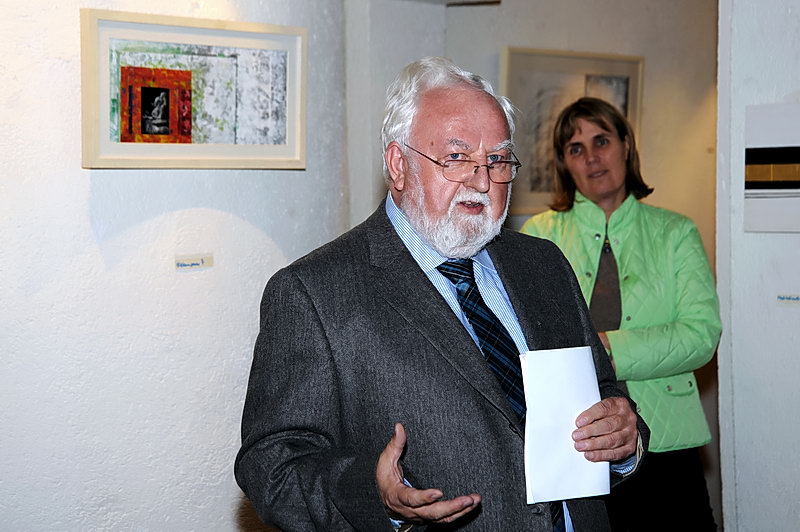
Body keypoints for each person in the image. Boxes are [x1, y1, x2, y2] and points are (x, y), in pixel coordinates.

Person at [235, 58, 648, 531]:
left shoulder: (543, 265)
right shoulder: (315, 294)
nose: (482, 180)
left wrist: (624, 436)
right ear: (398, 164)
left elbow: (604, 394)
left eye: (497, 160)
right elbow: (272, 466)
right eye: (456, 157)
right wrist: (374, 495)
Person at [521, 97, 721, 531]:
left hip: (668, 445)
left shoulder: (675, 232)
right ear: (564, 163)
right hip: (577, 443)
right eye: (576, 148)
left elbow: (701, 335)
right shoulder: (538, 235)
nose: (591, 157)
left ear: (626, 145)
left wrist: (608, 349)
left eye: (602, 141)